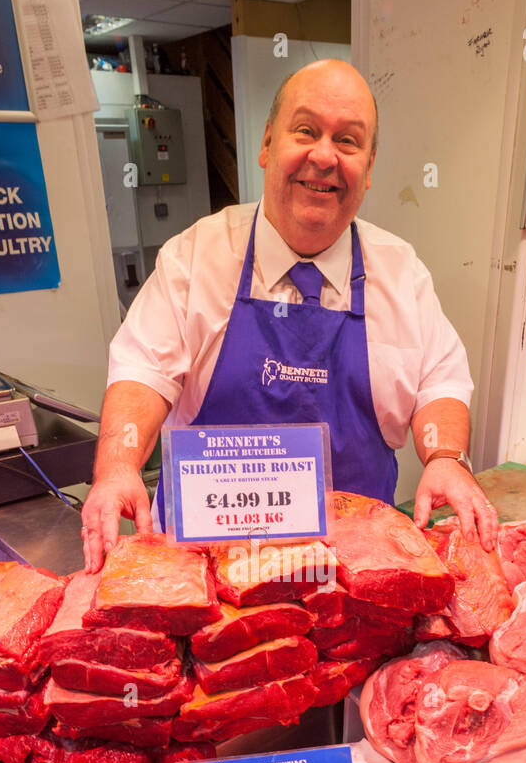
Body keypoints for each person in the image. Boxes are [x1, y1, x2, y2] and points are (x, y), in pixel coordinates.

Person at [81, 59, 497, 574]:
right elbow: (142, 373)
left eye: (348, 141)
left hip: (354, 580)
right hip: (202, 572)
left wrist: (445, 458)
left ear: (368, 170)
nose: (323, 156)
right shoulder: (196, 257)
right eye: (305, 131)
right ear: (266, 144)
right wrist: (119, 466)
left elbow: (440, 381)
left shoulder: (401, 272)